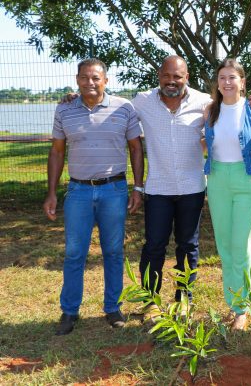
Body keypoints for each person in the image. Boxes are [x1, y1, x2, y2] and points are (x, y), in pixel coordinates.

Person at [43, 58, 144, 335]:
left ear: (106, 80)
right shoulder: (64, 109)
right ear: (77, 80)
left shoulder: (124, 108)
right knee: (75, 253)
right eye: (85, 77)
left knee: (113, 251)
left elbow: (136, 149)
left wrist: (138, 187)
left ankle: (113, 308)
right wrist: (51, 193)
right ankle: (69, 311)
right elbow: (57, 152)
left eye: (96, 78)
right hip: (78, 192)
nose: (90, 82)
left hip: (114, 190)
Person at [133, 56, 212, 319]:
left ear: (186, 77)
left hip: (192, 187)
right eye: (167, 75)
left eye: (177, 76)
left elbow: (230, 111)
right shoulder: (142, 102)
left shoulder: (203, 102)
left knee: (187, 245)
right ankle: (150, 300)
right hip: (158, 189)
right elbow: (113, 108)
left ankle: (184, 297)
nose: (171, 81)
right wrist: (77, 97)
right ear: (159, 75)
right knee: (154, 245)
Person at [204, 58, 251, 331]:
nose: (227, 82)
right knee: (225, 246)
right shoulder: (210, 110)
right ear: (217, 83)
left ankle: (242, 308)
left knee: (242, 246)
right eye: (222, 78)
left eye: (232, 77)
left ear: (242, 82)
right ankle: (233, 303)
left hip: (247, 180)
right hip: (217, 179)